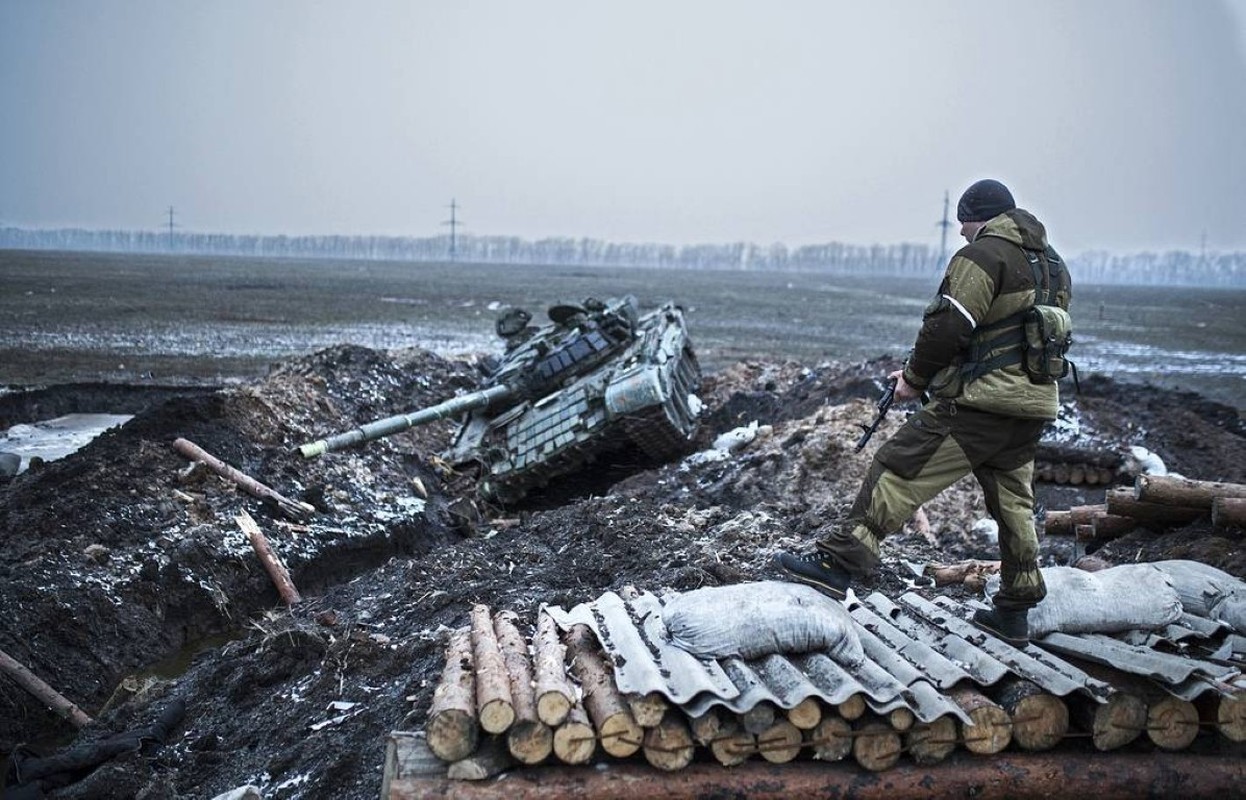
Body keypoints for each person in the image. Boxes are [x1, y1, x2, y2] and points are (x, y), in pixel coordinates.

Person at [775, 179, 1072, 647]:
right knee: (1014, 504)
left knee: (898, 468)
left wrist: (914, 379)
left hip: (980, 406)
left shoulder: (982, 256)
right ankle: (1016, 607)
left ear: (983, 217)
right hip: (1031, 408)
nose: (959, 231)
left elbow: (948, 325)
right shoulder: (1054, 266)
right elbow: (1013, 338)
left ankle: (839, 565)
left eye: (963, 220)